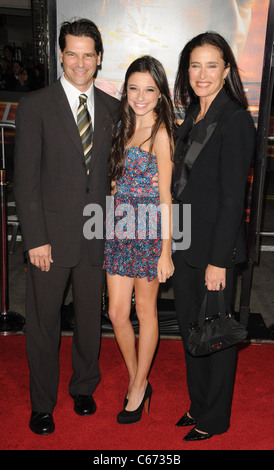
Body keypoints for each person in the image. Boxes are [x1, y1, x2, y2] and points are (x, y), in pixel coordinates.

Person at [14, 19, 120, 435]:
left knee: (90, 320)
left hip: (97, 234)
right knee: (43, 323)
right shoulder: (36, 105)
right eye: (71, 53)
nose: (80, 62)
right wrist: (35, 238)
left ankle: (83, 387)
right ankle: (42, 403)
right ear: (60, 55)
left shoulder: (113, 108)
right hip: (50, 239)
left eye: (88, 54)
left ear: (98, 58)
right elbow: (26, 180)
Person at [172, 32, 255, 441]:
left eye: (211, 65)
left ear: (226, 71)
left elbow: (231, 198)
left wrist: (219, 261)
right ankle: (198, 402)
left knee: (216, 334)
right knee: (191, 328)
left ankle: (215, 418)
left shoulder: (236, 118)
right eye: (194, 65)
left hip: (214, 251)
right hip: (185, 244)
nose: (201, 74)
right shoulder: (192, 115)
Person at [103, 55, 175, 424]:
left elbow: (166, 197)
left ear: (161, 93)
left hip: (148, 229)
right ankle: (138, 378)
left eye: (149, 89)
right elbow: (115, 184)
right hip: (117, 227)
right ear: (126, 90)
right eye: (134, 88)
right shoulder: (122, 124)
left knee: (145, 311)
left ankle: (137, 386)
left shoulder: (162, 132)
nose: (141, 96)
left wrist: (166, 250)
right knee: (116, 312)